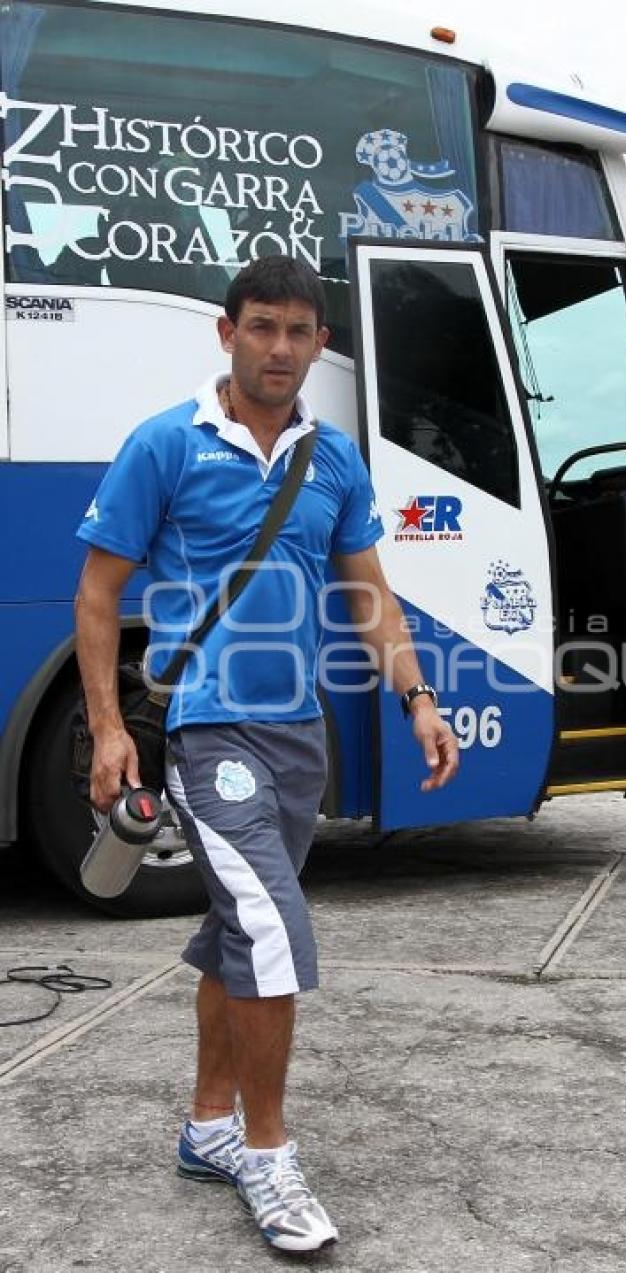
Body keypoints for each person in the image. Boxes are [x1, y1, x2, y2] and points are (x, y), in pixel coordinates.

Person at [74, 256, 459, 1255]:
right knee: (271, 929)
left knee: (235, 931)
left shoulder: (332, 462)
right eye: (261, 328)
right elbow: (97, 595)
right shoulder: (164, 444)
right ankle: (266, 1147)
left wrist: (416, 697)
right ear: (226, 333)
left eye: (297, 331)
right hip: (208, 729)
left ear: (319, 343)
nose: (278, 348)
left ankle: (206, 1126)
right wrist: (112, 727)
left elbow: (370, 596)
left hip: (298, 732)